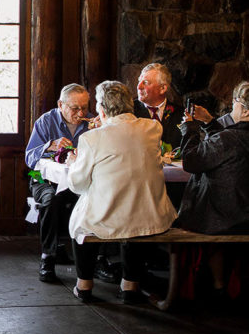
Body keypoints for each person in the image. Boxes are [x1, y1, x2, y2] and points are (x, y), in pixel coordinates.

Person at [66, 81, 176, 303]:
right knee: (134, 208)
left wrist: (73, 162)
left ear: (102, 109)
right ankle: (130, 285)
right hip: (151, 213)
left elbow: (77, 184)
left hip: (108, 217)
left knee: (81, 221)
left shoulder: (91, 138)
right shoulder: (153, 128)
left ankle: (84, 285)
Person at [174, 84, 249, 299]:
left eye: (236, 102)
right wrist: (210, 124)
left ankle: (217, 285)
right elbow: (232, 145)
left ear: (246, 111)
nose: (232, 105)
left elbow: (191, 162)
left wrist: (189, 130)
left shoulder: (227, 140)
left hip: (220, 219)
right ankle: (228, 282)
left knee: (190, 204)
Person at [24, 83, 92, 283]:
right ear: (60, 104)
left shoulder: (92, 123)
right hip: (41, 177)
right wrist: (49, 146)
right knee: (51, 200)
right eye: (74, 108)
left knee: (97, 198)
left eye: (84, 107)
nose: (80, 113)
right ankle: (48, 257)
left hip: (79, 179)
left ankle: (96, 258)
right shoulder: (46, 121)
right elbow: (29, 159)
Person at [133, 62, 183, 148]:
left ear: (162, 88)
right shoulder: (130, 110)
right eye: (139, 81)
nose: (139, 87)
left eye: (145, 82)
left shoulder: (181, 114)